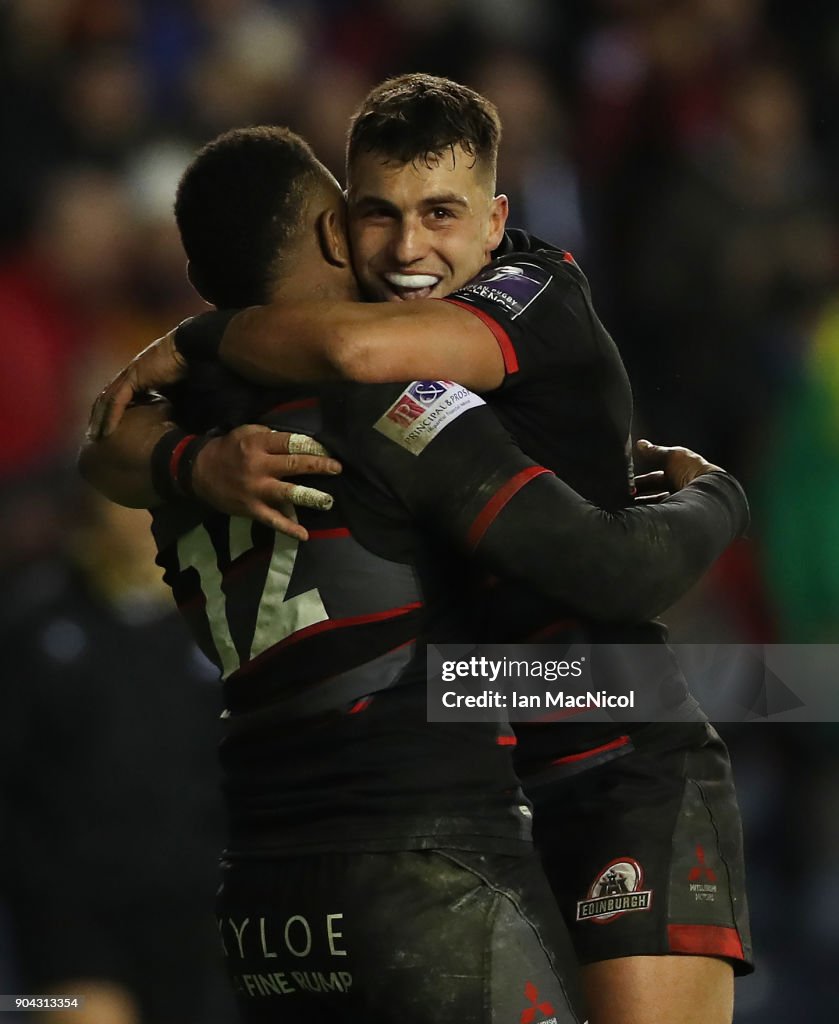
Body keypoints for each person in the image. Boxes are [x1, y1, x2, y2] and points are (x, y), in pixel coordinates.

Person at [81, 122, 749, 1024]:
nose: (405, 248)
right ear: (335, 230)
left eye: (440, 213)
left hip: (307, 849)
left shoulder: (188, 429)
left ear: (493, 219)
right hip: (438, 826)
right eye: (375, 216)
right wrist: (717, 495)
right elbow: (612, 565)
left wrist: (192, 404)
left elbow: (105, 448)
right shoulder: (379, 388)